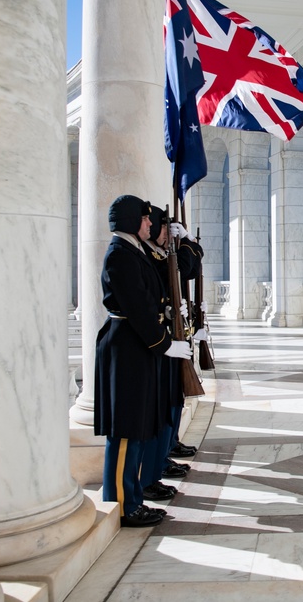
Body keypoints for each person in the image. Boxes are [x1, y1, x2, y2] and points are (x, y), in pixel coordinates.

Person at [94, 195, 193, 527]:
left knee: (136, 427)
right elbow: (136, 307)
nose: (151, 224)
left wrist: (168, 313)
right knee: (126, 430)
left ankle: (132, 496)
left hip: (136, 348)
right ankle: (122, 504)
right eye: (146, 218)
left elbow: (151, 297)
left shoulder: (131, 251)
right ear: (130, 220)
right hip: (126, 348)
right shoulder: (120, 255)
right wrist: (164, 344)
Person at [138, 206, 201, 502]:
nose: (165, 230)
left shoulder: (158, 254)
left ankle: (166, 451)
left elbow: (191, 267)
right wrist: (187, 244)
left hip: (170, 336)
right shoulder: (149, 255)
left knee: (173, 400)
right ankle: (157, 464)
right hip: (160, 342)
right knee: (163, 405)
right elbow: (184, 268)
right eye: (163, 226)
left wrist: (187, 240)